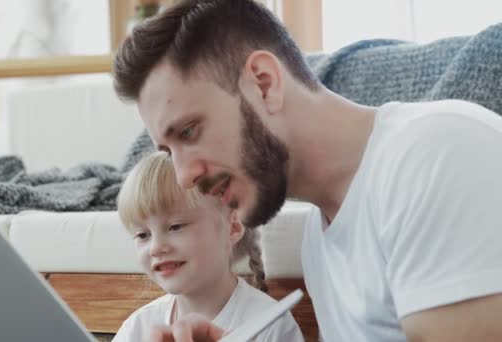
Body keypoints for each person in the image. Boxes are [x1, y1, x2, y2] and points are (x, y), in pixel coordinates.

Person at [112, 0, 502, 341]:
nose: (184, 176)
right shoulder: (320, 241)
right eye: (167, 149)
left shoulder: (434, 156)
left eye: (189, 131)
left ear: (263, 84)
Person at [112, 151, 304, 341]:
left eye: (175, 226)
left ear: (233, 227)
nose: (155, 248)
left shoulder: (270, 326)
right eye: (142, 235)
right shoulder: (137, 328)